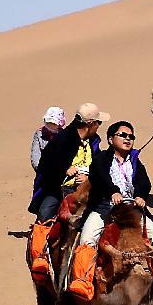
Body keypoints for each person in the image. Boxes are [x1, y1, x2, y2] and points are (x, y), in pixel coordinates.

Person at [67, 121, 153, 300]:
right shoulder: (101, 160)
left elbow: (144, 182)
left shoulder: (135, 160)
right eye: (123, 135)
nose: (128, 139)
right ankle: (82, 280)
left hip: (131, 209)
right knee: (88, 239)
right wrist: (112, 192)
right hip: (105, 207)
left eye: (131, 136)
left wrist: (141, 195)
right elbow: (99, 177)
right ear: (111, 139)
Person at [27, 103, 106, 277]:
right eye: (98, 123)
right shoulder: (62, 140)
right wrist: (65, 169)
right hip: (58, 189)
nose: (99, 126)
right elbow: (44, 165)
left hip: (87, 190)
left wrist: (89, 177)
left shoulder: (94, 142)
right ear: (90, 124)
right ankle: (40, 257)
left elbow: (100, 165)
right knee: (44, 217)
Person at [30, 106, 66, 171]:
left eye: (53, 123)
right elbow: (35, 155)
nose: (50, 125)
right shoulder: (39, 134)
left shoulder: (64, 135)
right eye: (48, 122)